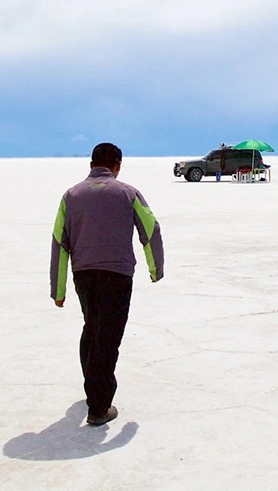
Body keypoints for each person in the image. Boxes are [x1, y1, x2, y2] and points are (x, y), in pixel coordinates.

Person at [50, 142, 165, 426]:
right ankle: (99, 406)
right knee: (108, 337)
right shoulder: (128, 193)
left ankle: (93, 386)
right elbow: (151, 231)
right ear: (117, 166)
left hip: (84, 274)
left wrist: (58, 288)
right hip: (117, 274)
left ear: (91, 165)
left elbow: (58, 243)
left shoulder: (71, 196)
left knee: (92, 327)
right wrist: (156, 268)